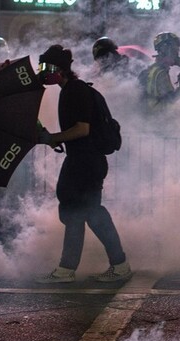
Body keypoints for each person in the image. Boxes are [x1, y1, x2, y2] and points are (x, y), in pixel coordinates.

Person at [34, 44, 132, 284]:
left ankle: (73, 269)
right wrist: (54, 140)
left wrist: (53, 138)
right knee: (83, 213)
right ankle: (114, 265)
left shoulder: (75, 91)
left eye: (47, 67)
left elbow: (82, 129)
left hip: (85, 162)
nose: (43, 72)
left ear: (60, 69)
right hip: (84, 160)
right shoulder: (70, 90)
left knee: (84, 212)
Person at [137, 32, 180, 116]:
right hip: (157, 125)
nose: (177, 53)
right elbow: (163, 103)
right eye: (175, 50)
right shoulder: (159, 73)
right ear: (166, 50)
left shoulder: (152, 70)